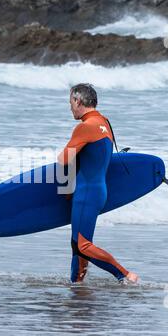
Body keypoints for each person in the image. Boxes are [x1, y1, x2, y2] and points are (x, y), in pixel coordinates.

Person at [57, 84, 139, 284]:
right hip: (98, 191)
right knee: (78, 243)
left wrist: (66, 185)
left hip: (86, 193)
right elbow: (98, 158)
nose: (70, 108)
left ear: (78, 101)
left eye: (71, 103)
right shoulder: (105, 122)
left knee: (82, 245)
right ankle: (77, 283)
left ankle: (125, 275)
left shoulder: (85, 127)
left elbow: (63, 160)